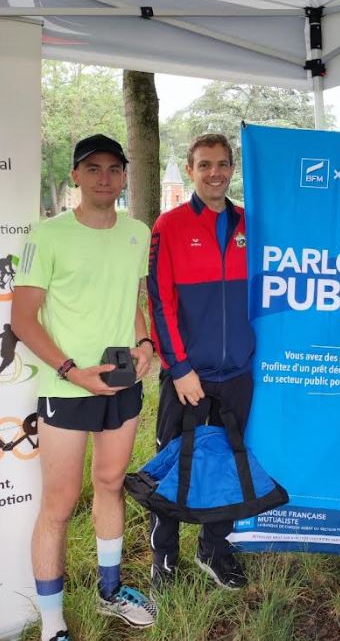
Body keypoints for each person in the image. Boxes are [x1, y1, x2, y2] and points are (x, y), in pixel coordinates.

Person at [11, 134, 156, 641]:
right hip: (68, 386)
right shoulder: (47, 234)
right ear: (75, 175)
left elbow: (130, 299)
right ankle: (53, 624)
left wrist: (144, 342)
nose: (104, 178)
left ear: (124, 176)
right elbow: (23, 320)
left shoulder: (137, 232)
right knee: (60, 502)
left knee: (111, 484)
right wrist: (72, 371)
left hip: (120, 383)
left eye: (114, 169)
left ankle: (110, 591)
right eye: (93, 168)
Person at [148, 132, 255, 592]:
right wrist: (179, 368)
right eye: (205, 164)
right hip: (187, 375)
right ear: (190, 170)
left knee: (227, 465)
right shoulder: (169, 225)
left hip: (238, 374)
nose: (215, 173)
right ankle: (164, 560)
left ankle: (214, 548)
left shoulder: (250, 223)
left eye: (223, 164)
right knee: (174, 465)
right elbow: (160, 301)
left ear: (232, 169)